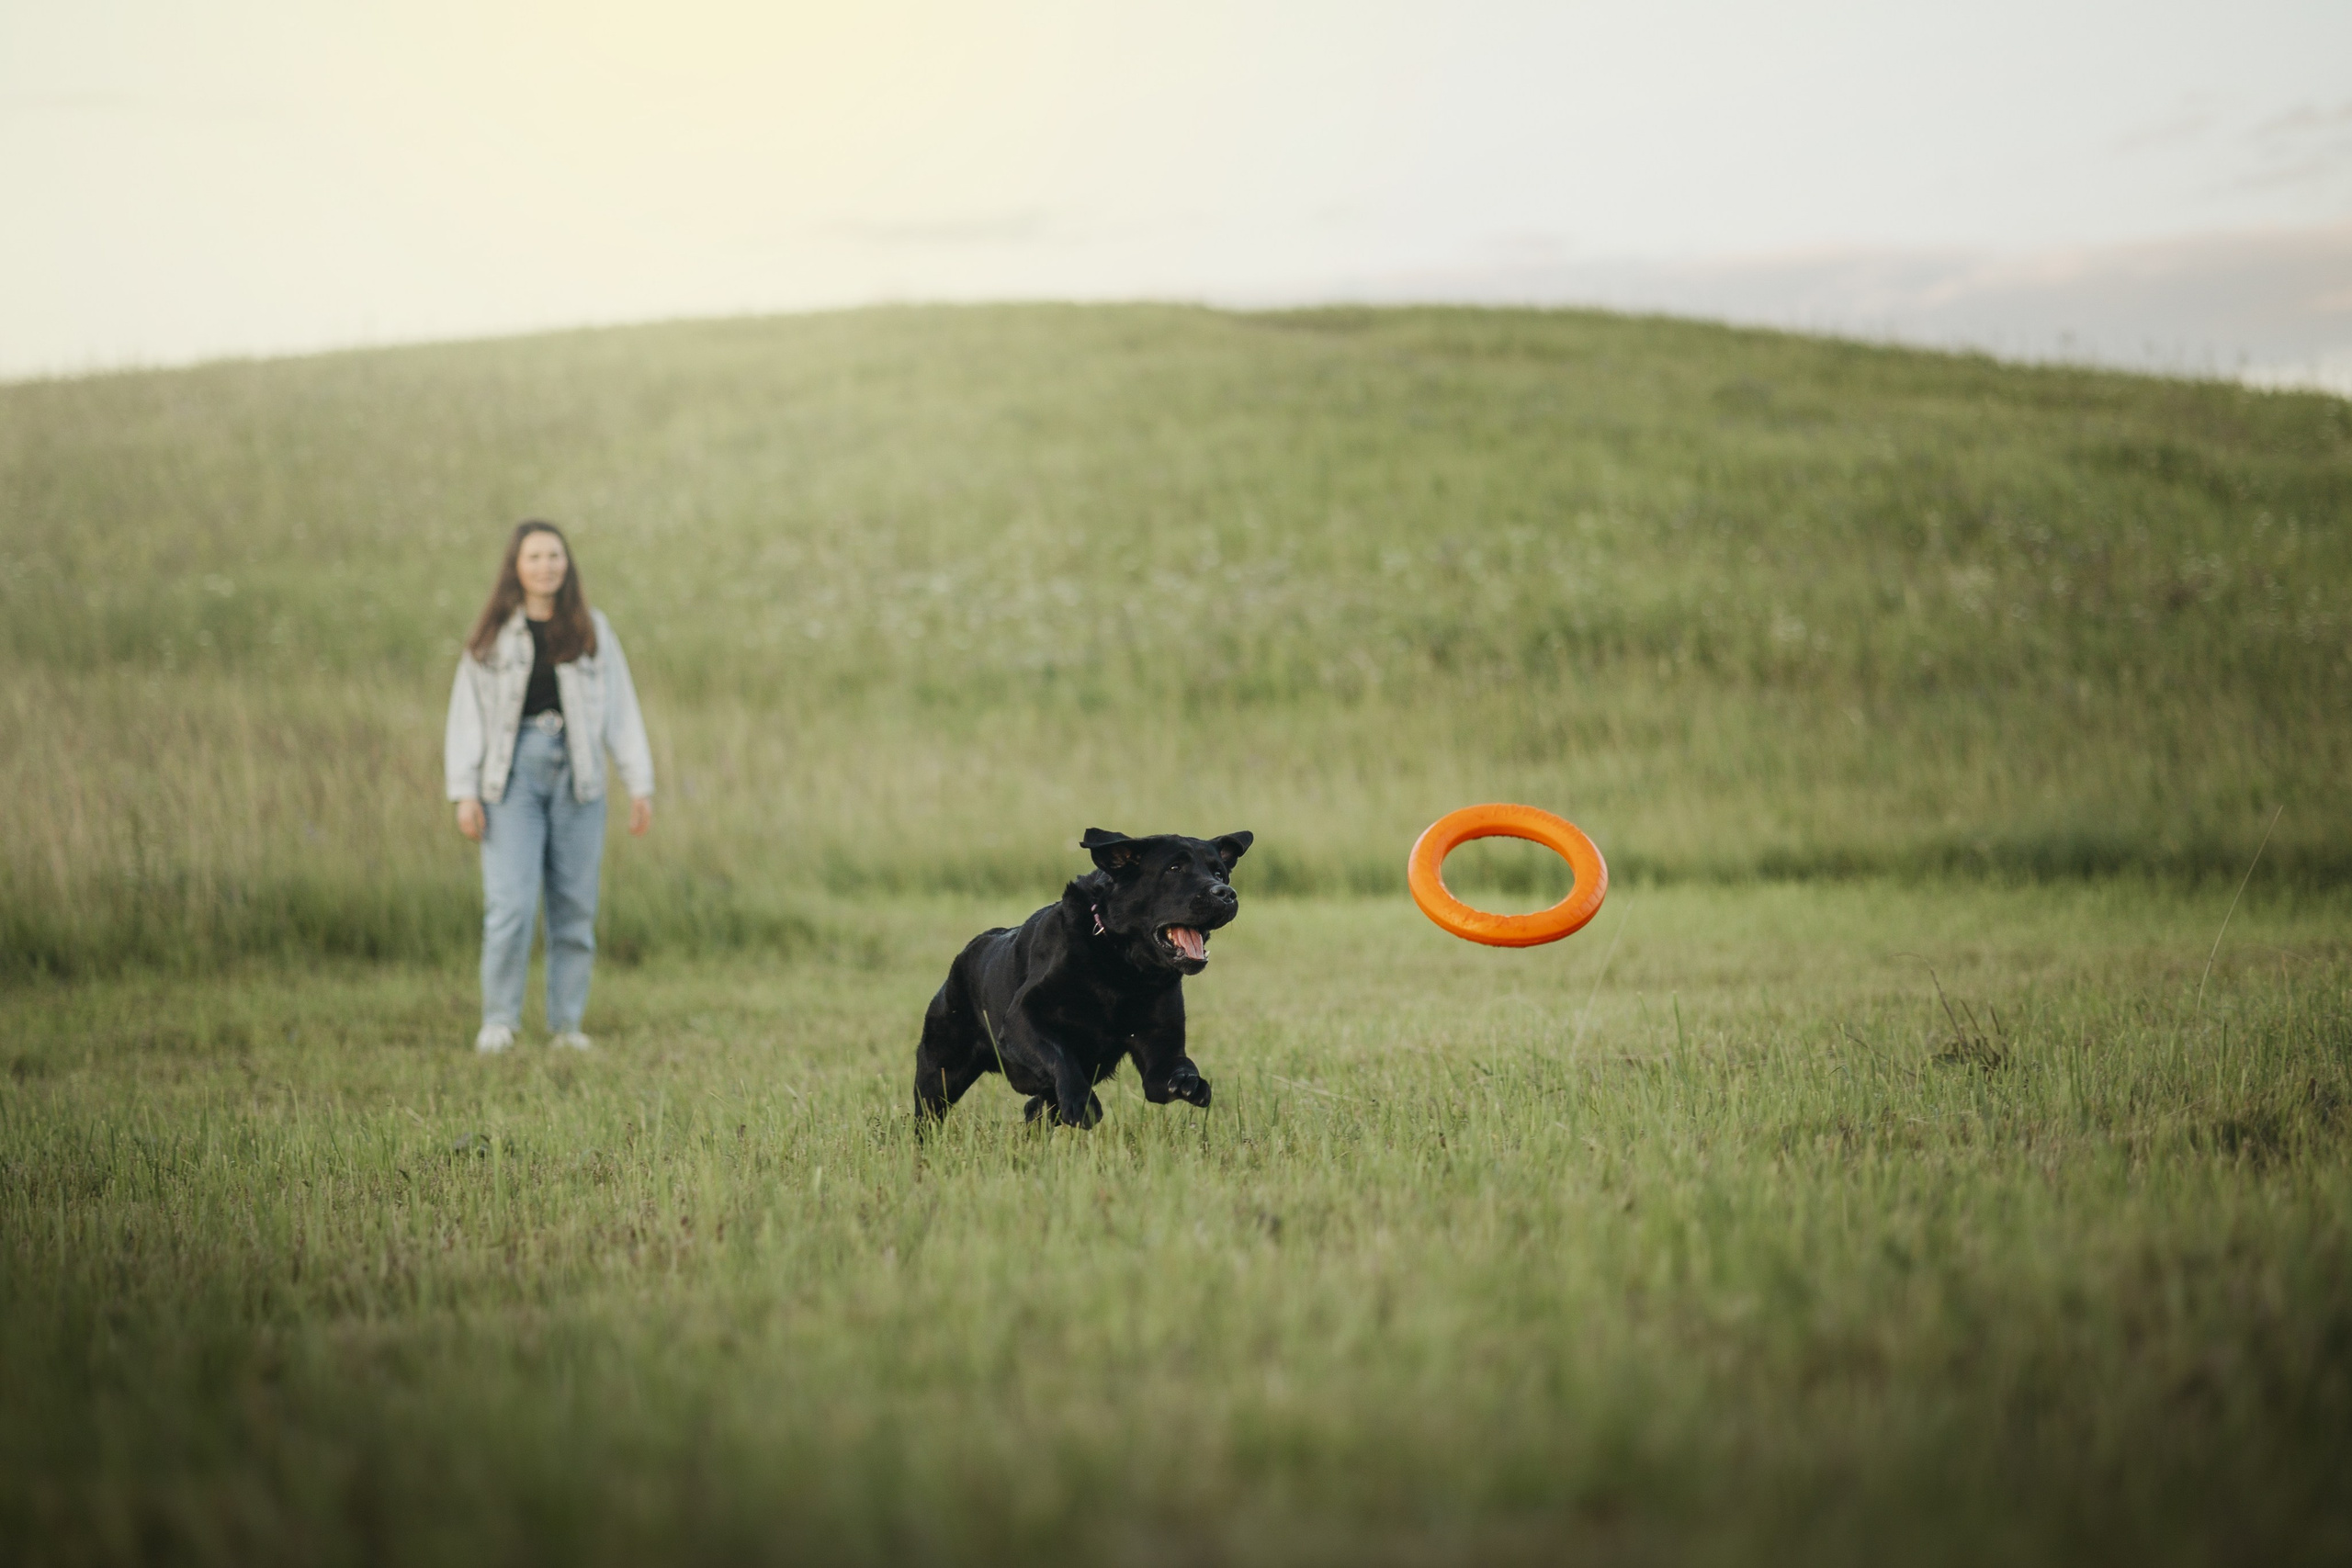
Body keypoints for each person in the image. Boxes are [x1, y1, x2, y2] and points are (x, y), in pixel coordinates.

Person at [444, 521, 653, 1053]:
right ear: (517, 566)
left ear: (568, 564)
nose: (546, 566)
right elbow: (466, 716)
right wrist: (464, 790)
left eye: (554, 556)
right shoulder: (493, 635)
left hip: (579, 781)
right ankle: (499, 1020)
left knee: (575, 906)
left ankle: (567, 1025)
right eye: (534, 556)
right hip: (509, 782)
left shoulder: (591, 630)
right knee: (511, 906)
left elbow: (620, 709)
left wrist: (638, 782)